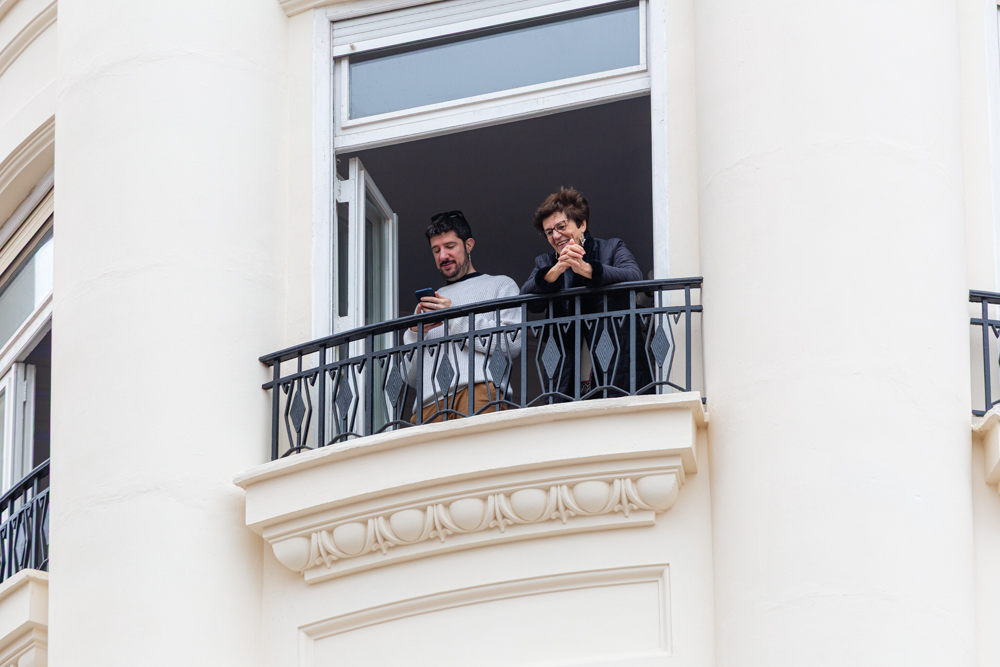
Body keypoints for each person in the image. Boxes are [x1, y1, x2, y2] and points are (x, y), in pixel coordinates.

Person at [520, 187, 651, 398]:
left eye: (561, 226)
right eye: (549, 232)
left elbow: (634, 277)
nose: (556, 236)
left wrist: (586, 269)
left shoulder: (612, 248)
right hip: (566, 371)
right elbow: (526, 300)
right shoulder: (545, 262)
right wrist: (555, 271)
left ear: (582, 224)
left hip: (617, 366)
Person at [404, 210, 521, 423]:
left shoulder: (500, 284)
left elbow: (511, 344)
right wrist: (414, 334)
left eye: (450, 246)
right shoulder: (428, 304)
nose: (443, 256)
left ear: (468, 245)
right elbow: (410, 377)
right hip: (428, 404)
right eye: (436, 250)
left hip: (479, 391)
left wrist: (453, 316)